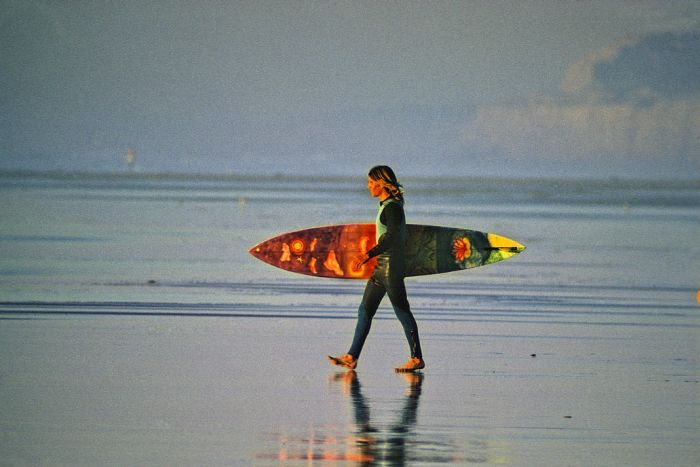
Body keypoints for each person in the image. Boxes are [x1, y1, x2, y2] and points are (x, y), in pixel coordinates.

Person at [328, 166, 425, 372]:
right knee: (364, 310)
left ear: (381, 184)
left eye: (371, 182)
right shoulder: (387, 206)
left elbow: (392, 237)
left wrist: (366, 255)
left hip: (392, 268)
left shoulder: (393, 208)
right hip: (381, 268)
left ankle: (417, 358)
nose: (368, 186)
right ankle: (352, 356)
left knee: (402, 312)